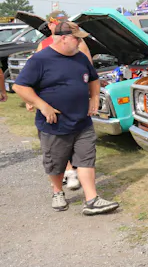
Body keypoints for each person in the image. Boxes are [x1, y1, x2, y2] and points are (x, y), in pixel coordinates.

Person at [13, 21, 119, 215]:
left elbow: (93, 79)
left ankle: (92, 200)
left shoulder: (81, 58)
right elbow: (20, 86)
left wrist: (95, 97)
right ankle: (57, 192)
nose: (80, 42)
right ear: (63, 38)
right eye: (76, 38)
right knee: (56, 162)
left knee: (86, 159)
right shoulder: (40, 59)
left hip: (82, 121)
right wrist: (43, 106)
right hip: (55, 124)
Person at [30, 10, 92, 190]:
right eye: (56, 23)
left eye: (62, 22)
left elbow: (88, 69)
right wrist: (32, 100)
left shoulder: (78, 42)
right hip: (51, 105)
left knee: (77, 136)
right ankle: (68, 171)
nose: (59, 26)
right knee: (56, 139)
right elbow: (34, 76)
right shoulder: (43, 45)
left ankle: (73, 170)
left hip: (76, 104)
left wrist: (90, 95)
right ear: (50, 25)